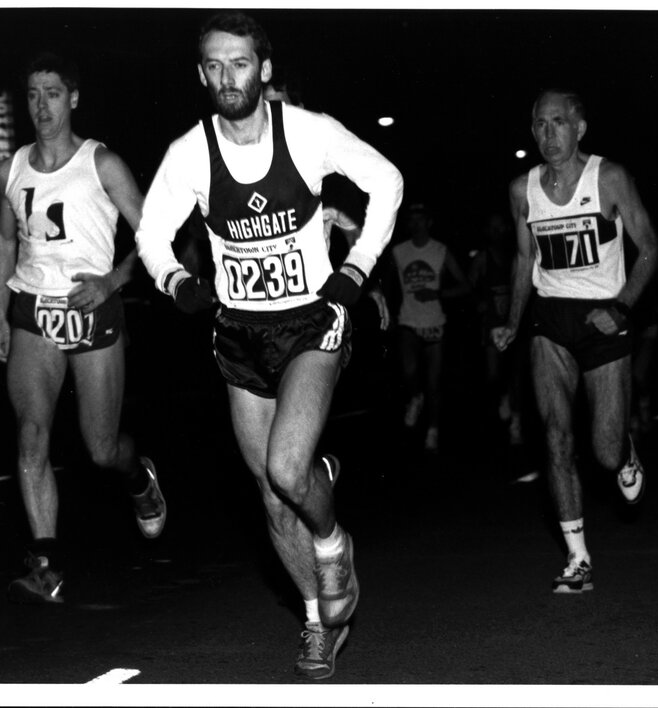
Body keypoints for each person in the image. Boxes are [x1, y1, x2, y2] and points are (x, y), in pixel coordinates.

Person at [134, 12, 402, 680]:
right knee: (270, 491)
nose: (229, 77)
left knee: (287, 467)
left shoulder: (308, 134)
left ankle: (334, 540)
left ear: (265, 69)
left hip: (311, 323)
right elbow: (149, 233)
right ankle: (317, 621)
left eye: (241, 63)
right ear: (203, 74)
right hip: (240, 335)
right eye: (215, 65)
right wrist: (177, 282)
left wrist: (356, 268)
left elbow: (387, 181)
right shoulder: (190, 154)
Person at [0, 52, 166, 605]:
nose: (41, 106)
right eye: (33, 94)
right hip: (33, 311)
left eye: (53, 94)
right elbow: (3, 241)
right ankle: (47, 565)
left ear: (73, 99)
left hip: (92, 309)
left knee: (100, 448)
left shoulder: (102, 163)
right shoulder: (10, 168)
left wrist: (113, 281)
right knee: (32, 436)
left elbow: (154, 235)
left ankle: (138, 477)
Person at [492, 89, 658, 594]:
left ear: (580, 128)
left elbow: (649, 249)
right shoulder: (523, 189)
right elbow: (525, 261)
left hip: (605, 315)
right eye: (540, 124)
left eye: (558, 123)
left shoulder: (609, 177)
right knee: (557, 435)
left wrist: (622, 307)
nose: (549, 134)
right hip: (550, 319)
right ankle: (578, 556)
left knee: (604, 453)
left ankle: (625, 451)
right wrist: (513, 321)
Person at [389, 203, 470, 452]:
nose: (415, 224)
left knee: (434, 382)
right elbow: (390, 287)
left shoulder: (440, 251)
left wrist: (437, 292)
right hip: (408, 321)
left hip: (435, 322)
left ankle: (433, 431)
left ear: (429, 222)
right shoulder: (399, 252)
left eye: (420, 219)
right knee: (409, 374)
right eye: (411, 219)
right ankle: (415, 398)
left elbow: (465, 286)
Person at [469, 211, 526, 448]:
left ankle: (516, 423)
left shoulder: (519, 255)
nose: (496, 232)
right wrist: (478, 302)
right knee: (494, 375)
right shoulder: (482, 258)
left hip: (516, 321)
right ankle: (502, 398)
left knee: (517, 375)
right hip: (492, 323)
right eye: (491, 228)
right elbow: (468, 285)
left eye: (500, 227)